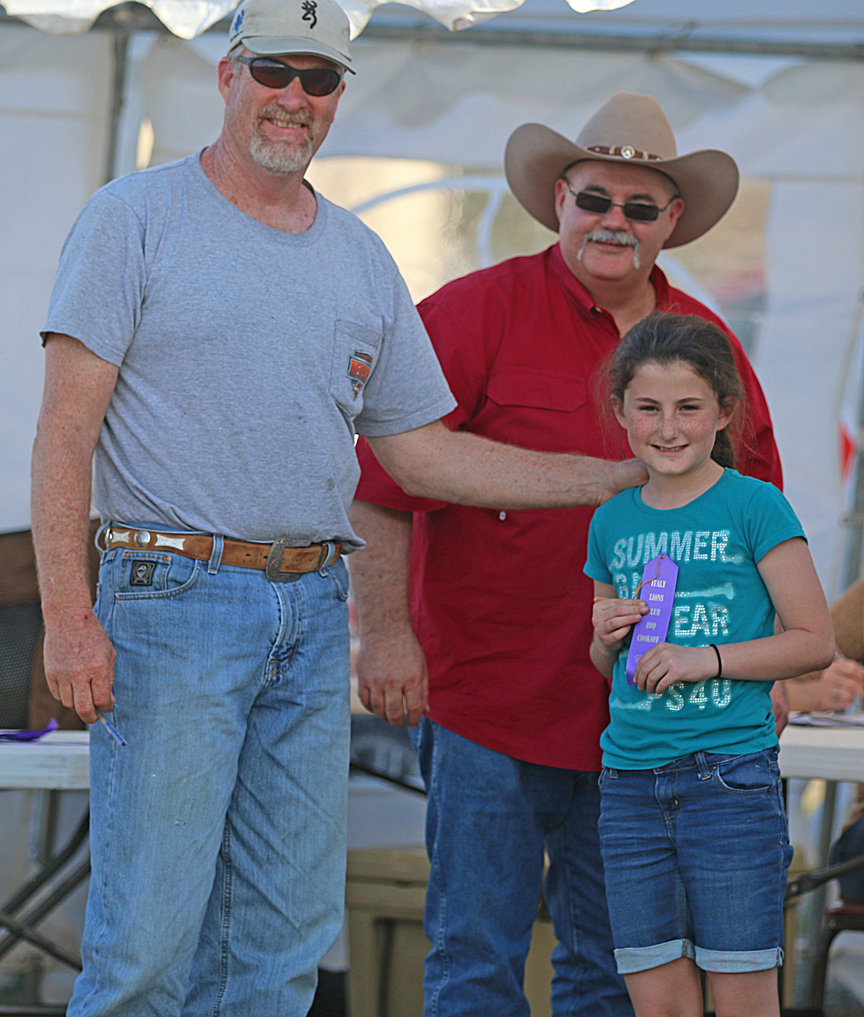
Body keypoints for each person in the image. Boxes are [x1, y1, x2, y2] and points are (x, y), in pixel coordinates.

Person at [29, 2, 646, 1014]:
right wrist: (67, 616)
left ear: (339, 98)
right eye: (276, 70)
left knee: (283, 947)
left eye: (321, 80)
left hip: (313, 610)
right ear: (228, 75)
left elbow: (419, 454)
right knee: (148, 945)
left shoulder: (360, 253)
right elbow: (64, 431)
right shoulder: (134, 216)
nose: (296, 98)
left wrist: (618, 476)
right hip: (169, 595)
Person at [350, 92, 782, 1016]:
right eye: (595, 199)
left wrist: (772, 668)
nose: (612, 223)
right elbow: (380, 484)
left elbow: (761, 517)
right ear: (558, 199)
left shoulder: (712, 348)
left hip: (648, 717)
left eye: (638, 207)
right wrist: (384, 638)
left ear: (673, 221)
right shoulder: (472, 312)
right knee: (476, 958)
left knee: (615, 968)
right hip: (486, 699)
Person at [586, 312, 834, 1017]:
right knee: (658, 1000)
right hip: (628, 784)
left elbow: (814, 638)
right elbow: (607, 661)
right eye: (649, 409)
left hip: (728, 778)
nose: (668, 427)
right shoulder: (612, 520)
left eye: (689, 408)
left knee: (744, 995)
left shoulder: (754, 504)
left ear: (723, 412)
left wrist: (706, 658)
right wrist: (605, 635)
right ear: (621, 413)